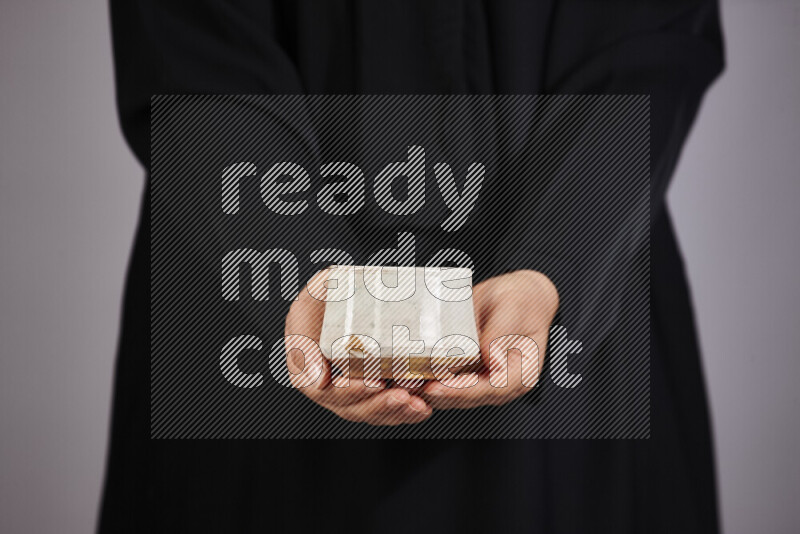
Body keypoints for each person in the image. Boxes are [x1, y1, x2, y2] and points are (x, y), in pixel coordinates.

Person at [99, 1, 724, 532]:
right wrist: (293, 269)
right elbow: (188, 40)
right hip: (244, 291)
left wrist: (553, 267)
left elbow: (650, 43)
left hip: (585, 288)